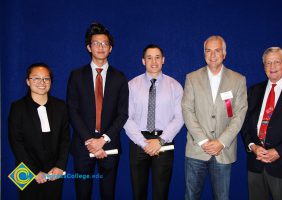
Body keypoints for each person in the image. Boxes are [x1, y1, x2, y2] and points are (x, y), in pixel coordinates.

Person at [67, 22, 129, 200]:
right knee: (83, 194)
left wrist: (102, 140)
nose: (101, 47)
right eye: (96, 43)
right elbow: (72, 110)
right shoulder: (76, 75)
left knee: (108, 194)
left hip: (109, 147)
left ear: (110, 48)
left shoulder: (119, 77)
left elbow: (122, 113)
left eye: (105, 44)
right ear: (89, 47)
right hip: (82, 145)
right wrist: (90, 141)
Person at [182, 35, 247, 200]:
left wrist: (221, 142)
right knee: (191, 196)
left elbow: (239, 114)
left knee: (222, 197)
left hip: (223, 151)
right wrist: (204, 141)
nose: (212, 55)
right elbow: (187, 110)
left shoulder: (238, 80)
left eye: (217, 50)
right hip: (197, 149)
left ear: (224, 54)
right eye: (208, 51)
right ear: (204, 54)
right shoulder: (192, 78)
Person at [124, 44, 184, 200]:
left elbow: (179, 117)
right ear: (143, 61)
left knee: (161, 193)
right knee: (138, 193)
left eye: (157, 57)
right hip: (138, 142)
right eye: (149, 58)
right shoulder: (131, 86)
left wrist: (160, 140)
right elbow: (125, 117)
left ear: (163, 60)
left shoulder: (175, 86)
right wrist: (144, 143)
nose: (154, 62)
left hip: (164, 142)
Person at [241, 47, 282, 200]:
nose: (272, 67)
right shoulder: (254, 91)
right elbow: (244, 123)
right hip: (256, 165)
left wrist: (279, 151)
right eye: (268, 63)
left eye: (276, 62)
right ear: (264, 66)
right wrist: (252, 146)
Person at [8, 63, 70, 200]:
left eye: (46, 79)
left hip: (54, 170)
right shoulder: (17, 107)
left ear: (51, 82)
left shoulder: (61, 107)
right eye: (36, 78)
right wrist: (34, 171)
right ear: (28, 82)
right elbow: (16, 143)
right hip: (24, 168)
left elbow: (65, 140)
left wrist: (60, 166)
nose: (42, 82)